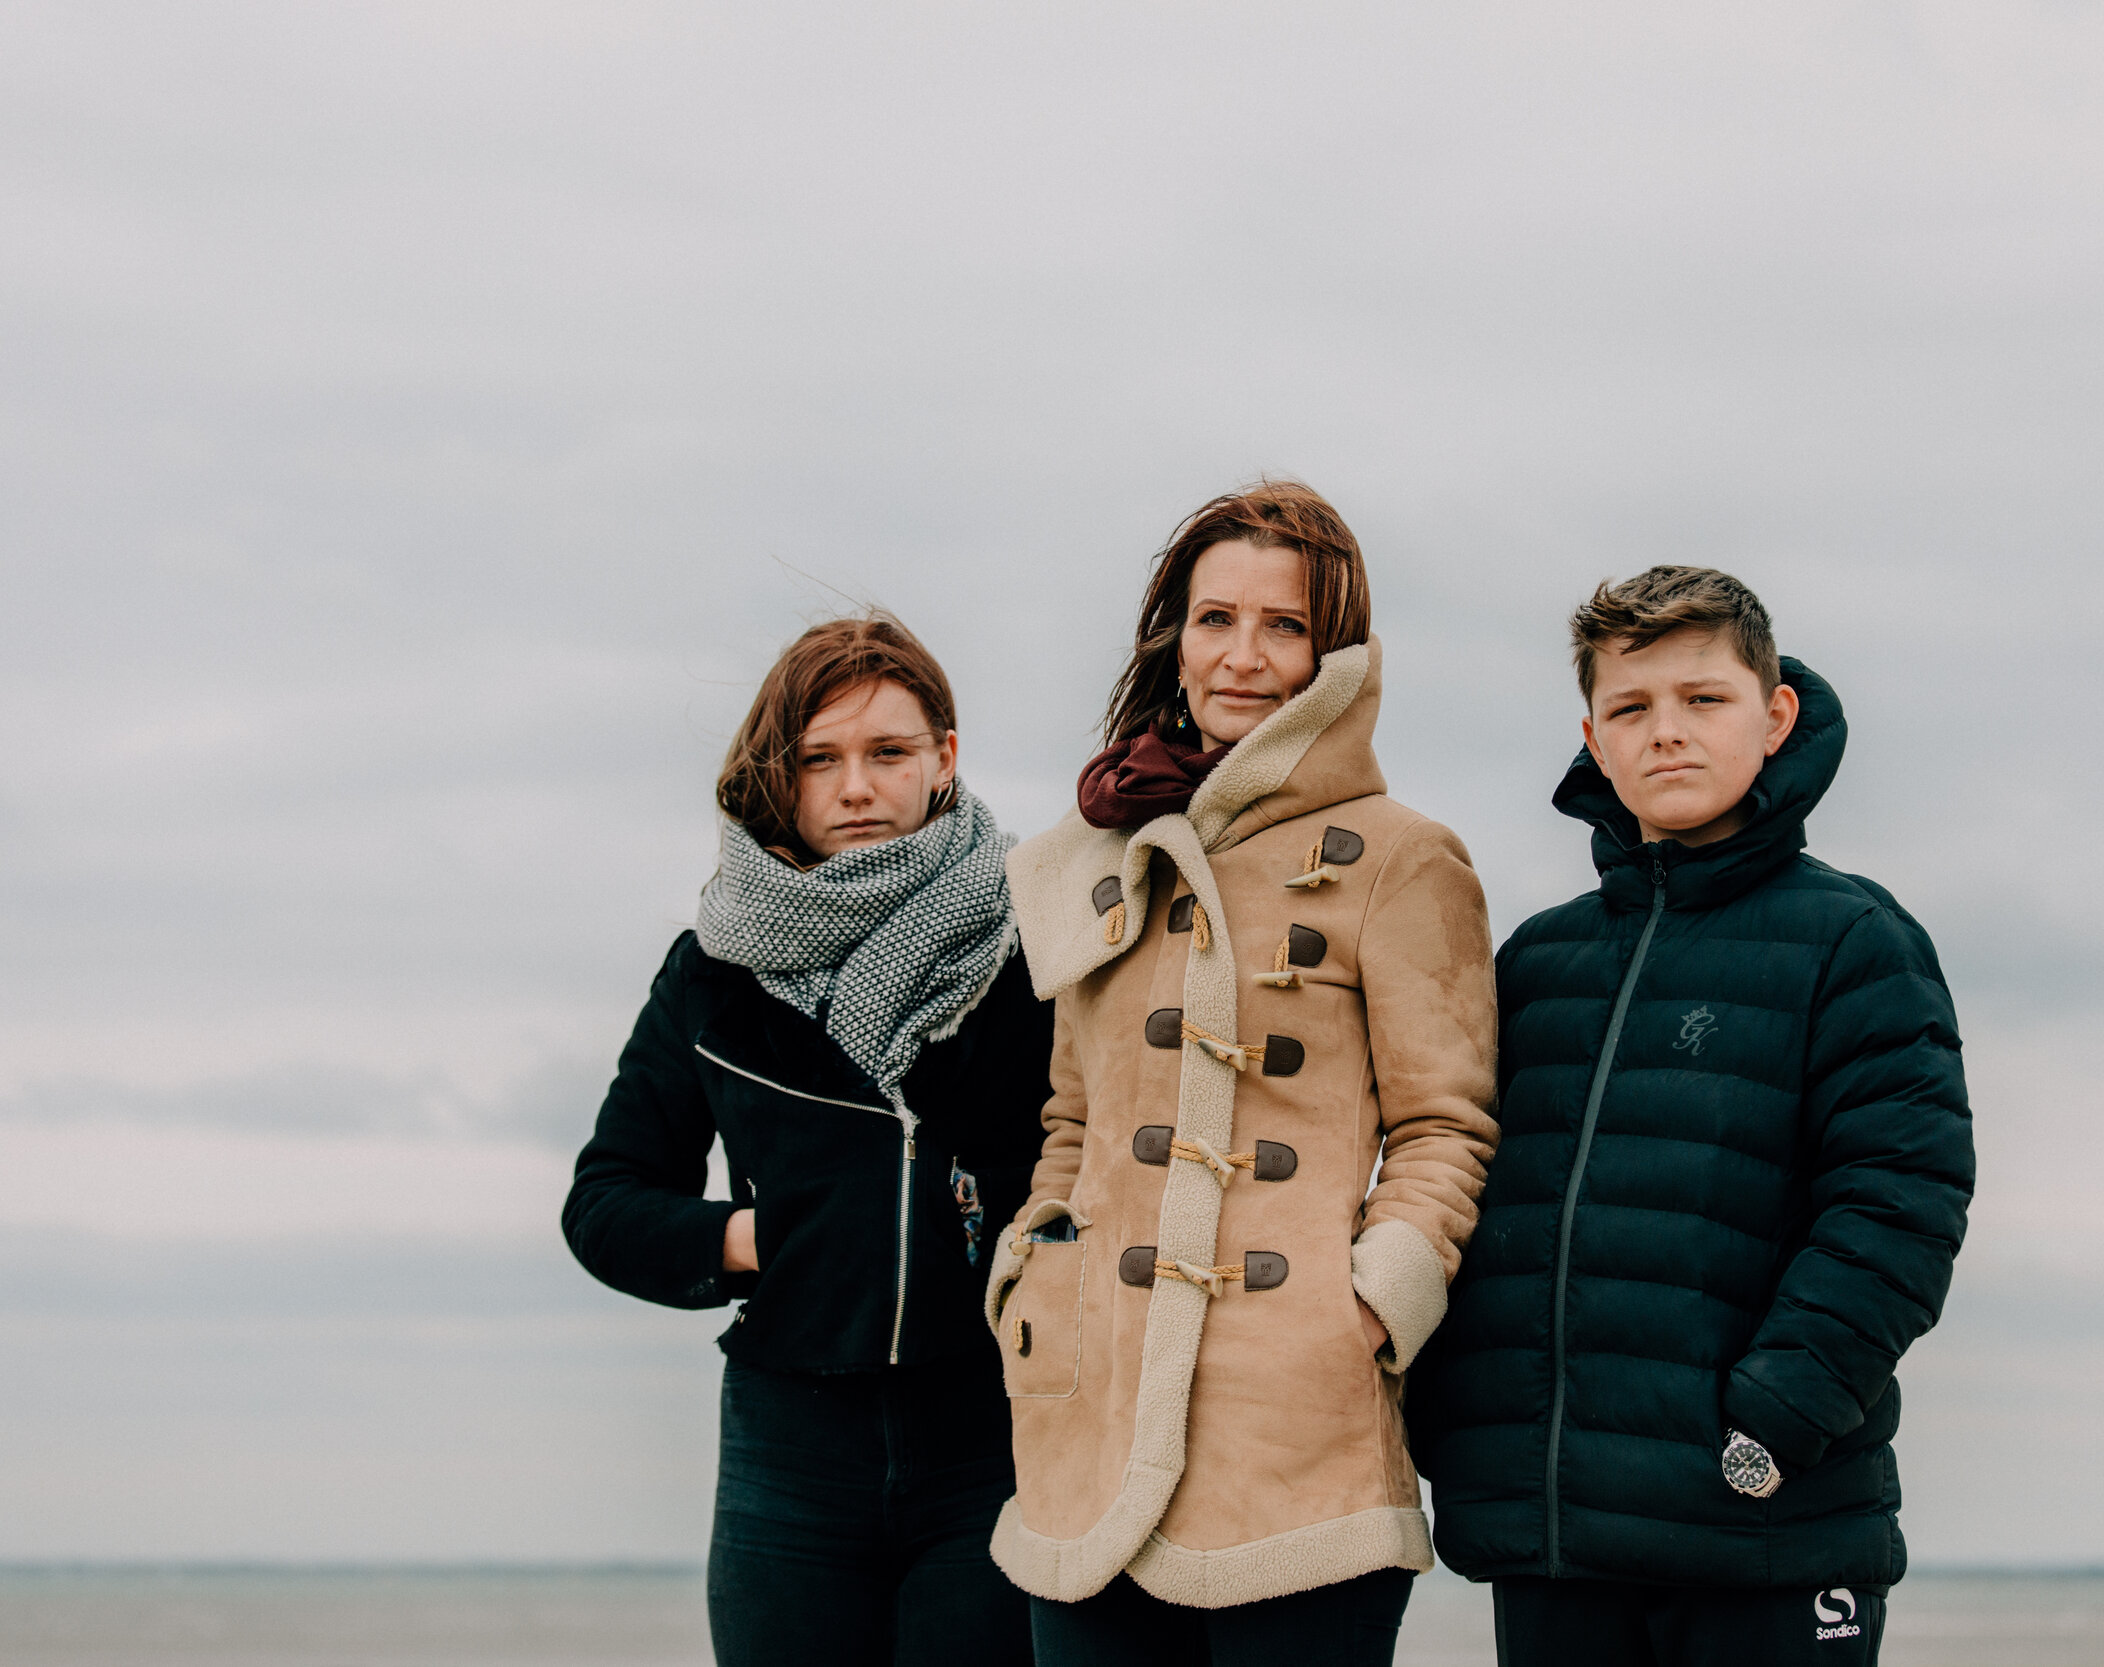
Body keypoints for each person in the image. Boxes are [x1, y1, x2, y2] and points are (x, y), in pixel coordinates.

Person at [1407, 567, 1975, 1666]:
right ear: (1593, 739)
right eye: (1631, 708)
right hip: (1556, 1540)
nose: (1665, 732)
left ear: (1773, 716)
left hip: (1768, 1536)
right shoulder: (1536, 961)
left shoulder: (1855, 941)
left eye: (1701, 699)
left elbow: (1898, 1207)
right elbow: (1467, 1191)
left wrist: (1768, 1422)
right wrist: (1458, 1420)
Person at [986, 481, 1500, 1667]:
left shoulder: (1404, 856)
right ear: (1174, 634)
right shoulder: (1098, 855)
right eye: (1215, 618)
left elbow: (1445, 1126)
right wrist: (1034, 1266)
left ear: (1338, 653)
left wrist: (1368, 1304)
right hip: (1090, 1419)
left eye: (1284, 626)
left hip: (1299, 1432)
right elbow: (1072, 1115)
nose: (1243, 657)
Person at [562, 613, 1052, 1667]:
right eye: (819, 759)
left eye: (888, 751)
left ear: (944, 759)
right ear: (782, 778)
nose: (856, 787)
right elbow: (605, 1201)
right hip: (788, 1455)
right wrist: (748, 1238)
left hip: (997, 1436)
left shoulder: (1036, 940)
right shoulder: (713, 969)